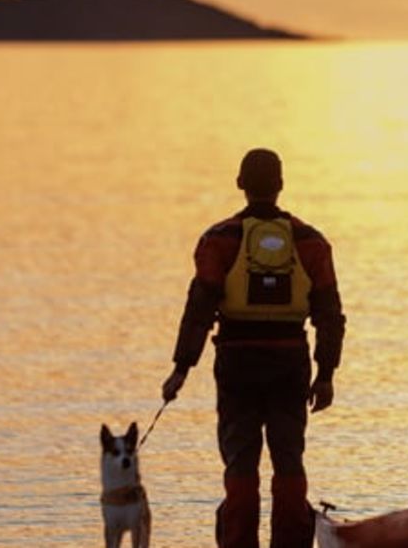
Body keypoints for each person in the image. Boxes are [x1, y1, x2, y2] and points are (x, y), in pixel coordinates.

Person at [161, 148, 346, 548]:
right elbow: (330, 314)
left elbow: (200, 305)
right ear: (280, 185)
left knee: (241, 461)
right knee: (289, 459)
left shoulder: (219, 239)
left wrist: (181, 368)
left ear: (240, 185)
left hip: (237, 364)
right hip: (289, 363)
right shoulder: (310, 242)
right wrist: (326, 374)